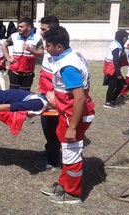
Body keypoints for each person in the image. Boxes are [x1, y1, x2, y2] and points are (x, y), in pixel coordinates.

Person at [40, 26, 95, 204]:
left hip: (73, 117)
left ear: (59, 47)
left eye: (48, 46)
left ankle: (72, 193)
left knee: (71, 154)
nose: (45, 49)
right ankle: (64, 184)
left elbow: (78, 99)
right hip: (68, 115)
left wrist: (72, 127)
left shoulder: (68, 66)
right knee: (68, 152)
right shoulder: (71, 56)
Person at [35, 16, 61, 172]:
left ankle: (53, 160)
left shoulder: (57, 49)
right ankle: (49, 149)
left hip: (53, 97)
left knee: (52, 127)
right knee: (46, 126)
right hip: (45, 92)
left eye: (44, 29)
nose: (40, 32)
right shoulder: (47, 46)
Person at [1, 17, 43, 91]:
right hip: (14, 71)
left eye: (21, 26)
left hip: (28, 73)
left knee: (25, 94)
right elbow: (4, 46)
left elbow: (41, 53)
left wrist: (30, 49)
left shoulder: (37, 38)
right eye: (18, 26)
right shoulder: (14, 36)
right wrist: (8, 58)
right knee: (13, 93)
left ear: (29, 27)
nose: (19, 28)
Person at [103, 30, 129, 109]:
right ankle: (107, 103)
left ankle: (112, 101)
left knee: (121, 85)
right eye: (126, 37)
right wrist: (118, 74)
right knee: (112, 85)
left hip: (114, 67)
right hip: (112, 68)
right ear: (121, 37)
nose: (127, 38)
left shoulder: (118, 44)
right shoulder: (116, 47)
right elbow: (115, 61)